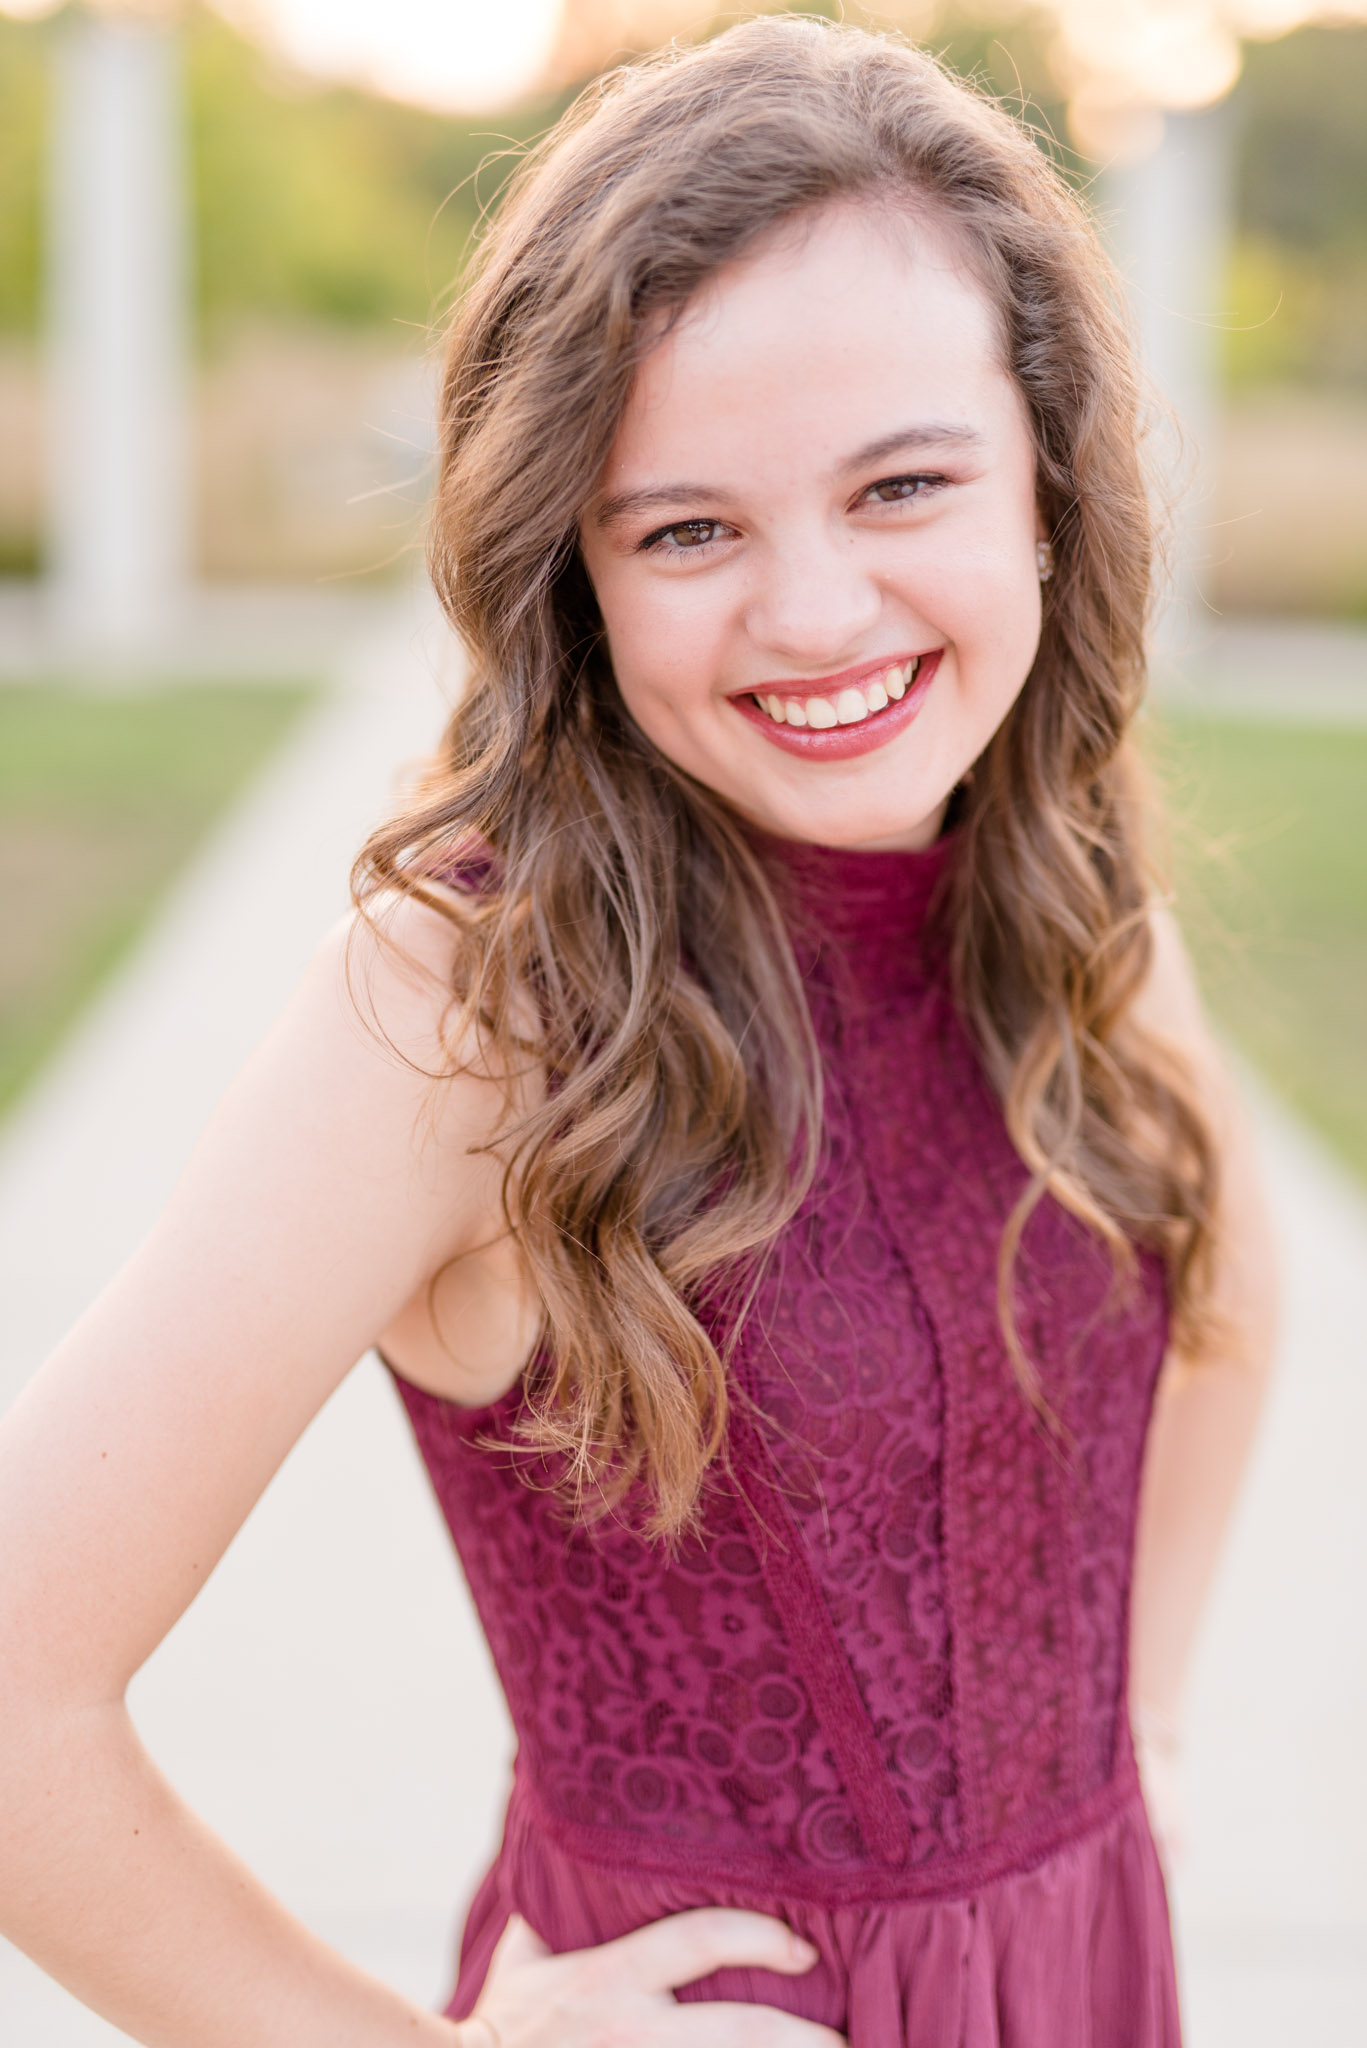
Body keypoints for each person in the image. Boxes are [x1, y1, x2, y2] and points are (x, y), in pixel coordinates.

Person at [0, 17, 1276, 2047]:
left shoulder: (1057, 876)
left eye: (903, 484)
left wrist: (1146, 1725)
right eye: (688, 527)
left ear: (1048, 480)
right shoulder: (468, 1004)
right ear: (575, 574)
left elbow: (1222, 1298)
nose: (817, 612)